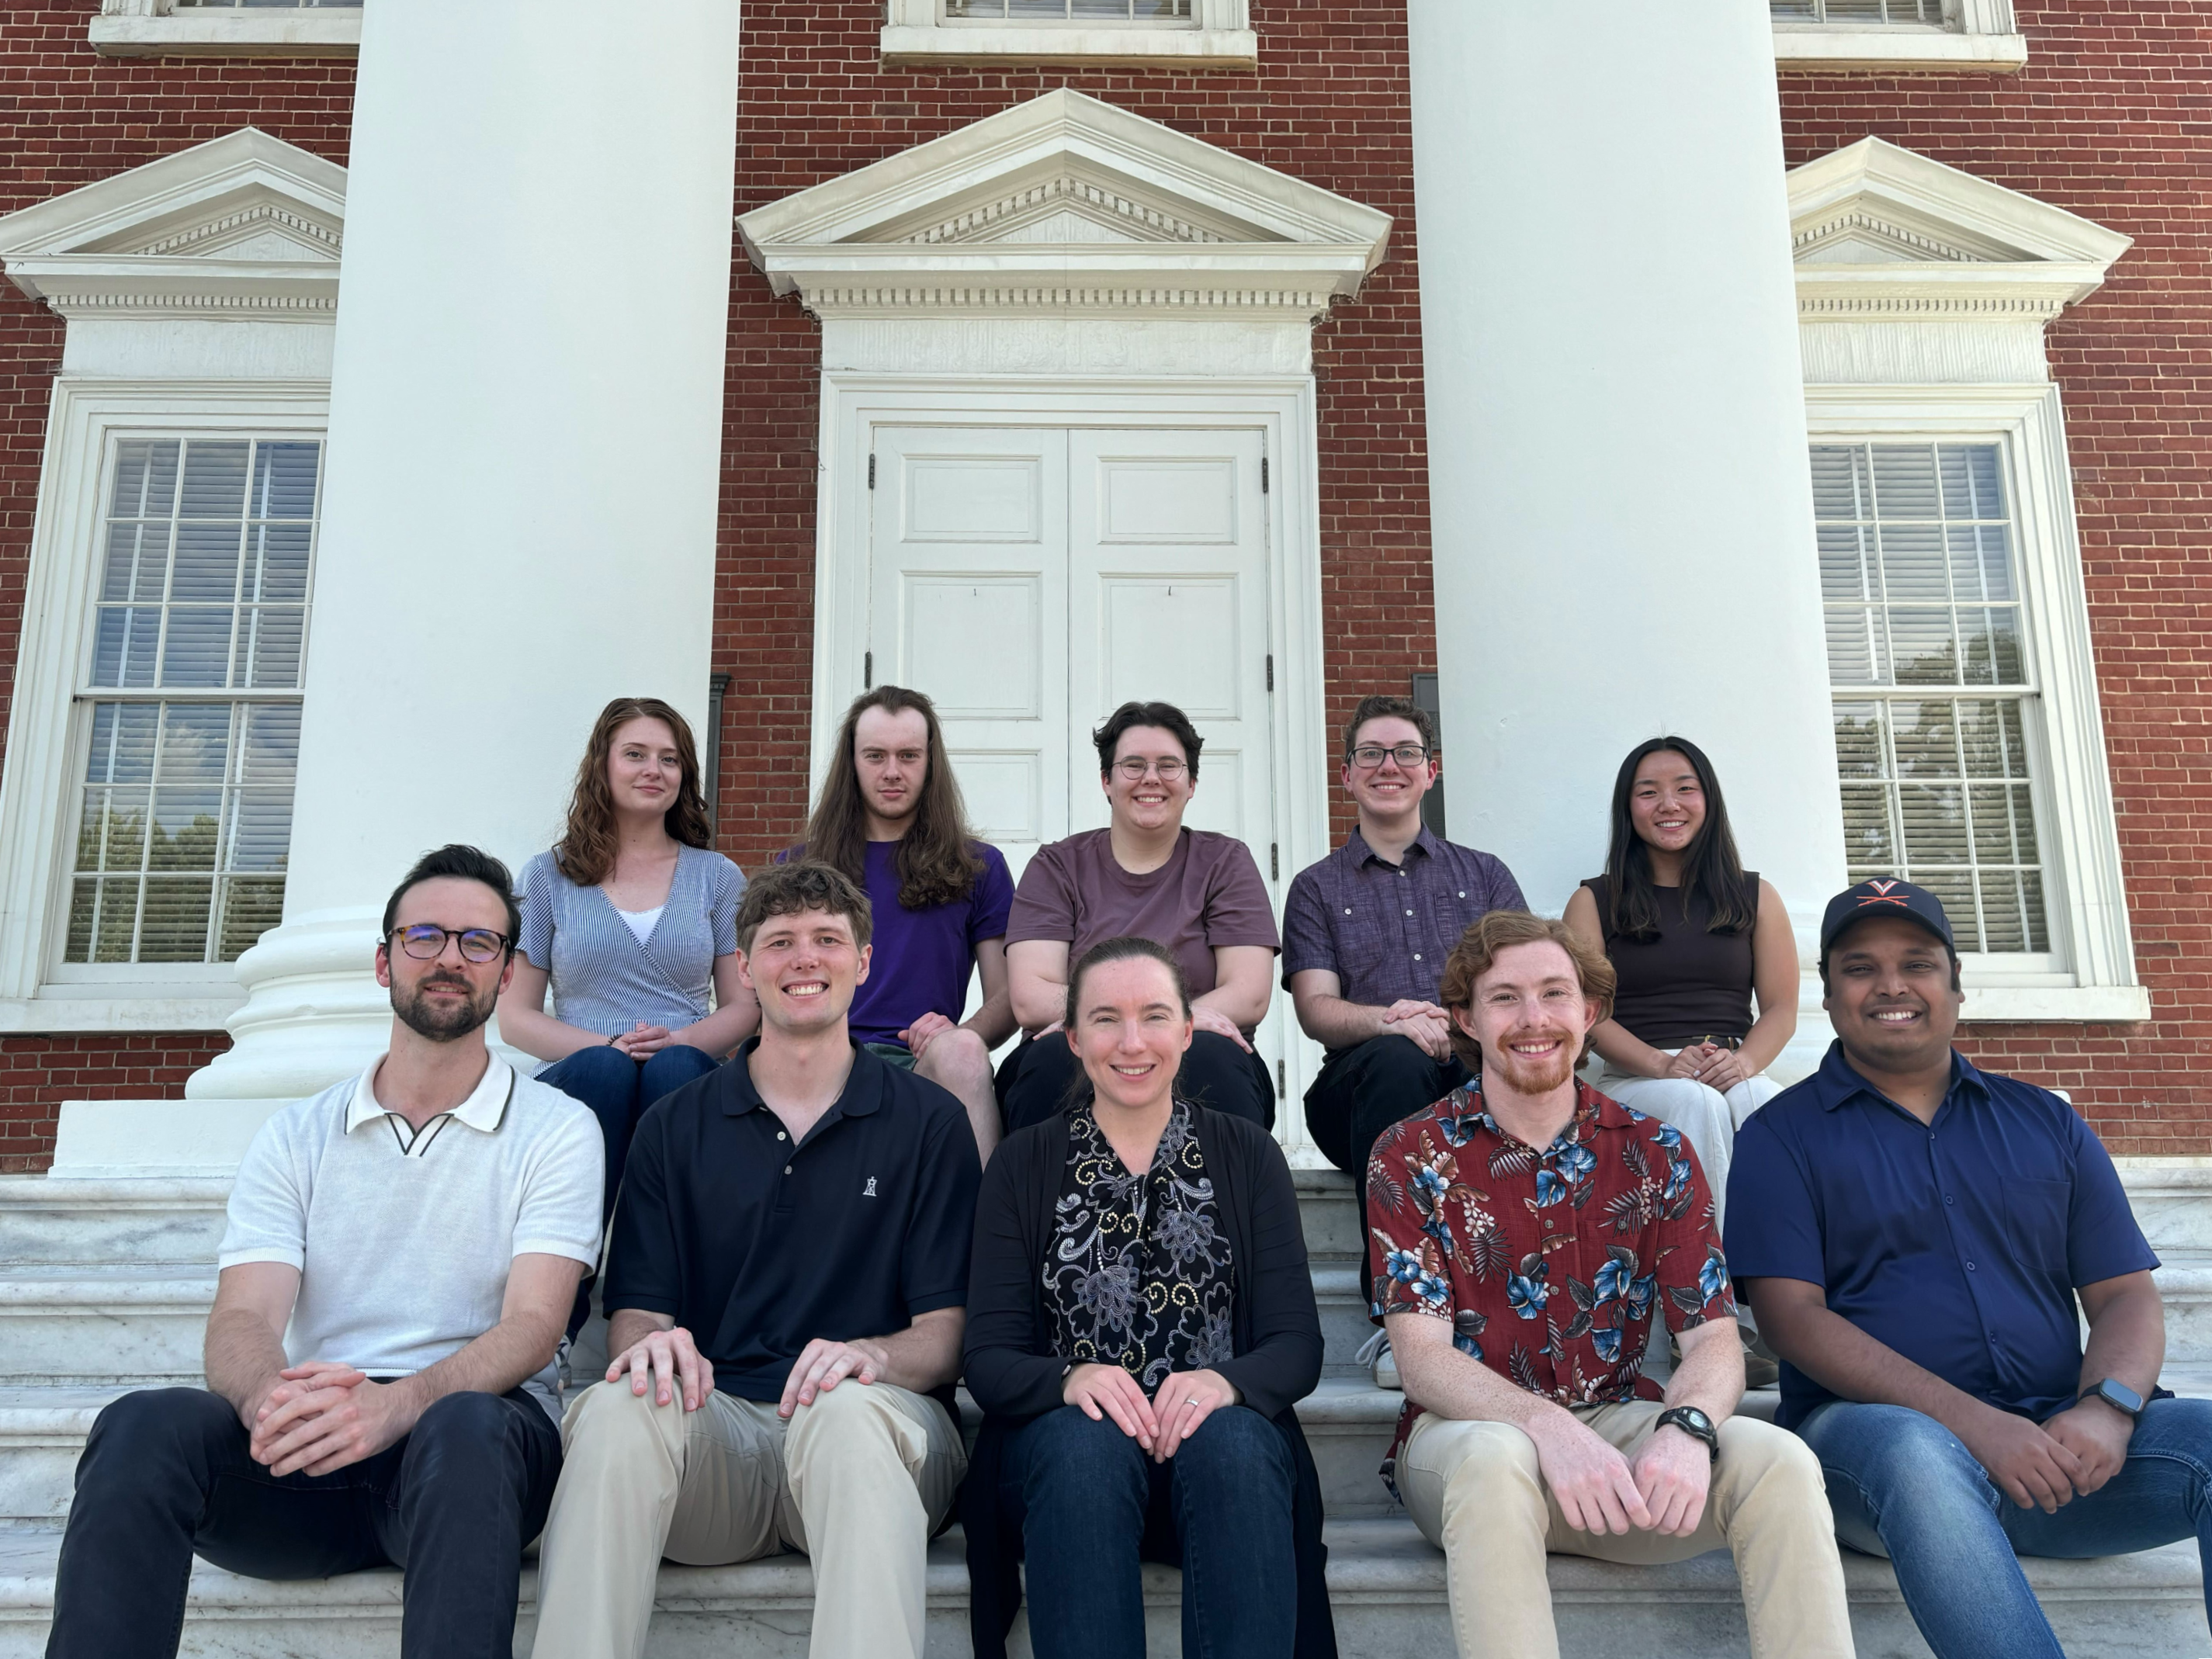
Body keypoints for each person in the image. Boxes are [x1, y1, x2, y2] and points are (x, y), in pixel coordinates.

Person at [46, 845, 602, 1659]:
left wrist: (393, 1406)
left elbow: (534, 1323)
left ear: (507, 973)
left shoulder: (556, 1128)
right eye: (425, 936)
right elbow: (242, 1316)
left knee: (472, 1427)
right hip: (313, 1444)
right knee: (141, 1425)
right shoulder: (297, 1133)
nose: (450, 957)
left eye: (478, 943)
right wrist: (278, 1403)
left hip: (460, 1461)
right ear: (384, 961)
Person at [1728, 877, 2212, 1659]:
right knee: (1915, 1451)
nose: (1891, 983)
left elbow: (2124, 1292)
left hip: (2055, 1448)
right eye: (1860, 966)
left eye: (1917, 962)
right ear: (1829, 989)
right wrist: (1981, 1426)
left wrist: (2109, 1406)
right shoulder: (1779, 1137)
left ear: (1955, 985)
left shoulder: (2047, 1121)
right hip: (1875, 1455)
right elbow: (1792, 1321)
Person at [1366, 909, 1853, 1659]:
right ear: (1465, 1016)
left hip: (1615, 1439)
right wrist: (1548, 1429)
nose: (1535, 1020)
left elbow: (1715, 1342)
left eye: (1555, 995)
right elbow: (1423, 1360)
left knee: (1777, 1459)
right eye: (1505, 998)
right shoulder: (1411, 1152)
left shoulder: (1658, 1153)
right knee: (1497, 1462)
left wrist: (1687, 1430)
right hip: (1465, 1445)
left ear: (1589, 1013)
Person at [527, 860, 981, 1659]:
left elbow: (945, 1332)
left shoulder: (929, 1121)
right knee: (614, 1407)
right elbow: (637, 1312)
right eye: (780, 942)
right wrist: (648, 1347)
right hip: (723, 1444)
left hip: (882, 1433)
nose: (804, 958)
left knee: (844, 1411)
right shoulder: (675, 1124)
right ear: (744, 969)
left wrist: (869, 1355)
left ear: (864, 960)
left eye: (827, 939)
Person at [961, 937, 1334, 1659]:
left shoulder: (1248, 1155)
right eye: (1105, 1019)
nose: (1132, 1043)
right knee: (1082, 1445)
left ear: (1188, 1031)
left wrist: (1225, 1383)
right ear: (1072, 1038)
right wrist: (1070, 1378)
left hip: (1223, 1471)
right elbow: (989, 1357)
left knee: (1234, 1440)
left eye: (1155, 1016)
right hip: (1067, 1478)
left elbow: (1296, 1346)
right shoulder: (1023, 1162)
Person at [499, 698, 757, 1332]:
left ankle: (664, 1307)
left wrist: (680, 1040)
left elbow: (747, 1005)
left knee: (672, 1073)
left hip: (686, 1068)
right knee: (607, 1075)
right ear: (603, 767)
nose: (654, 770)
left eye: (670, 759)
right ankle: (559, 1314)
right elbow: (514, 1017)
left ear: (684, 776)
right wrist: (605, 1048)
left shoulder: (716, 876)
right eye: (636, 754)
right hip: (582, 1076)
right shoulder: (550, 877)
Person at [1002, 700, 1278, 1133]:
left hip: (1200, 1056)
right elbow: (1030, 996)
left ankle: (1227, 1200)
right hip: (1077, 1057)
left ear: (1191, 783)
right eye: (1133, 765)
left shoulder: (1225, 863)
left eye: (1169, 765)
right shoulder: (1057, 867)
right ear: (1106, 781)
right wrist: (1148, 1020)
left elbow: (1249, 993)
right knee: (1052, 1059)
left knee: (1212, 1054)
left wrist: (1166, 1026)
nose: (1151, 778)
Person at [1563, 735, 1798, 1238]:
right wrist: (1664, 1064)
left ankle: (1782, 1282)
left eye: (1685, 789)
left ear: (1708, 801)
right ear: (1629, 809)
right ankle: (1710, 1291)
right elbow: (1586, 1014)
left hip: (1732, 1067)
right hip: (1636, 1077)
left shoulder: (1756, 896)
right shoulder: (1593, 901)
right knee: (1697, 1103)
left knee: (1762, 1104)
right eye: (1648, 792)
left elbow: (1780, 1008)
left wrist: (1743, 1064)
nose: (1669, 804)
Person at [1285, 694, 1524, 1176]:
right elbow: (1315, 1010)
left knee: (1498, 1077)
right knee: (1399, 1058)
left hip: (1475, 1071)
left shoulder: (1486, 875)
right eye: (1370, 753)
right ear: (1347, 775)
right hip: (1359, 1090)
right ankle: (1390, 1252)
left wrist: (1454, 1029)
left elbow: (1525, 988)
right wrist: (1391, 1024)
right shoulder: (1315, 886)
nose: (1388, 766)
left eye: (1406, 753)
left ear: (1430, 772)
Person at [791, 685, 1017, 1160]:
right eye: (875, 755)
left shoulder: (979, 865)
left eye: (908, 756)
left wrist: (961, 1032)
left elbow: (1007, 996)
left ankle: (988, 1231)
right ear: (851, 762)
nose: (892, 771)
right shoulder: (799, 868)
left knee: (964, 1051)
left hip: (923, 1061)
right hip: (820, 1054)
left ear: (930, 764)